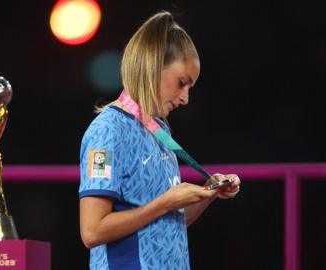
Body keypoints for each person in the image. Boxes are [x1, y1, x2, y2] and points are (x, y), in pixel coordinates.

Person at [79, 11, 241, 269]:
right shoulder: (107, 131)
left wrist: (208, 194)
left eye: (190, 87)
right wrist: (165, 202)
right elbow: (92, 231)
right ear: (153, 65)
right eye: (181, 83)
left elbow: (169, 220)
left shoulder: (160, 130)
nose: (185, 98)